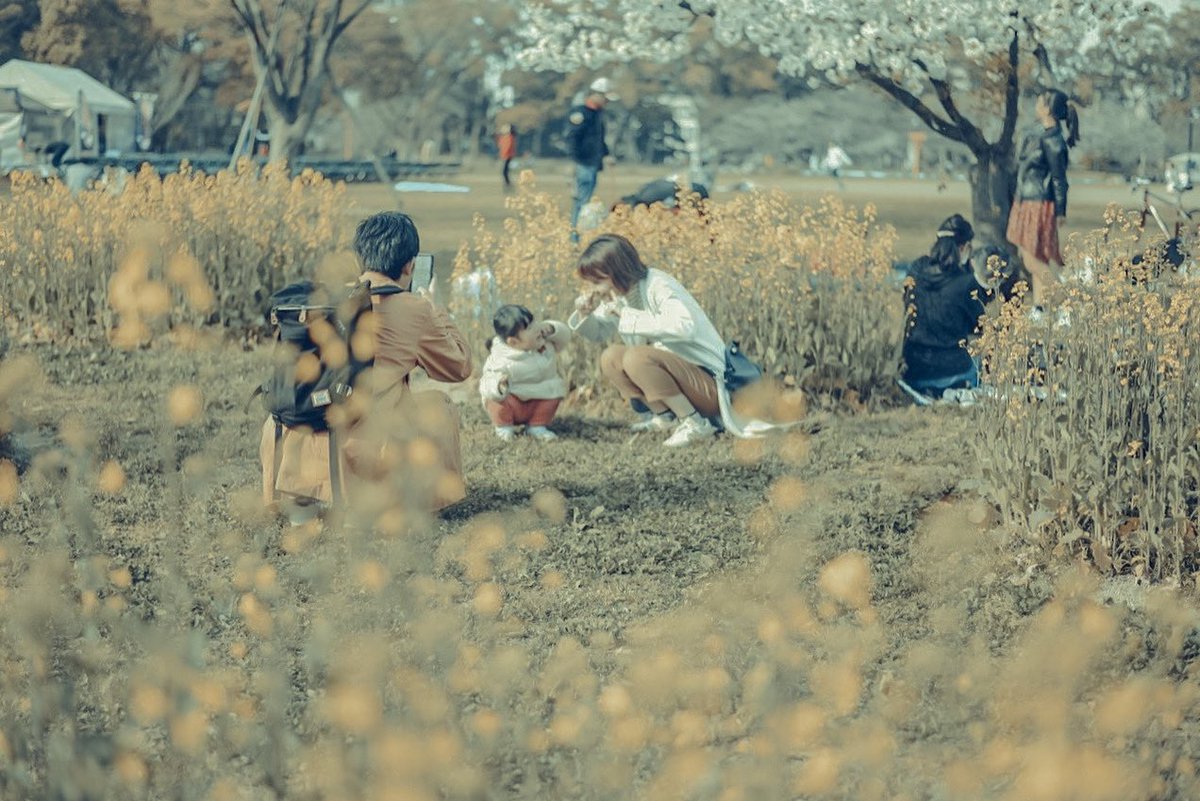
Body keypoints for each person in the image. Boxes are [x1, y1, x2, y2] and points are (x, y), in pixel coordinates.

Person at [260, 212, 473, 516]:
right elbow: (459, 368)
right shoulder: (415, 308)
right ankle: (418, 502)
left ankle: (302, 500)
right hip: (359, 456)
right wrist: (435, 309)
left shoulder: (322, 303)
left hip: (292, 447)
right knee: (439, 403)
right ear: (410, 266)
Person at [567, 234, 778, 447]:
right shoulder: (619, 294)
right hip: (685, 380)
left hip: (711, 385)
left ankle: (696, 424)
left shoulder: (658, 284)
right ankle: (664, 418)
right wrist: (585, 314)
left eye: (597, 281)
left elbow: (684, 326)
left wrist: (627, 316)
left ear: (618, 272)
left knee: (636, 357)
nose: (593, 288)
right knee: (611, 357)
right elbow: (598, 333)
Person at [899, 215, 1001, 403]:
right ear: (963, 248)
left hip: (913, 368)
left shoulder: (915, 269)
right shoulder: (965, 283)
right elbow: (978, 328)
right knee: (983, 362)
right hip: (952, 369)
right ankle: (951, 389)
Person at [1006, 88, 1080, 309]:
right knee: (1035, 256)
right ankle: (1041, 307)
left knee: (1031, 259)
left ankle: (1068, 301)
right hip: (1028, 200)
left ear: (1047, 108)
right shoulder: (1043, 135)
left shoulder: (1054, 141)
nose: (1036, 104)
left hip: (1038, 203)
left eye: (1039, 101)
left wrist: (1061, 211)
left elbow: (1059, 179)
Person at [478, 304, 570, 442]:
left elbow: (565, 337)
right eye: (529, 328)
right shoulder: (501, 357)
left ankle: (537, 426)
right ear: (513, 342)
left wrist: (551, 328)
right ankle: (504, 427)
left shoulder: (545, 344)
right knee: (495, 400)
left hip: (539, 399)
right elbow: (487, 380)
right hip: (514, 403)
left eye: (535, 323)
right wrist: (498, 386)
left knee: (554, 392)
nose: (537, 329)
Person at [568, 78, 616, 242]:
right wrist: (577, 162)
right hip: (583, 164)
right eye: (605, 98)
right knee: (581, 202)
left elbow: (599, 140)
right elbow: (573, 139)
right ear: (597, 95)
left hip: (594, 164)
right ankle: (575, 238)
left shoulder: (598, 115)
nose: (607, 101)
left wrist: (606, 154)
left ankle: (580, 235)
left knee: (586, 201)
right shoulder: (581, 114)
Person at [496, 124, 517, 191]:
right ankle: (507, 185)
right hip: (504, 156)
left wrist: (504, 154)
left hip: (507, 156)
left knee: (504, 172)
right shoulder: (503, 137)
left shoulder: (510, 137)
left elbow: (507, 147)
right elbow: (499, 145)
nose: (503, 129)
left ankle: (508, 185)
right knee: (505, 172)